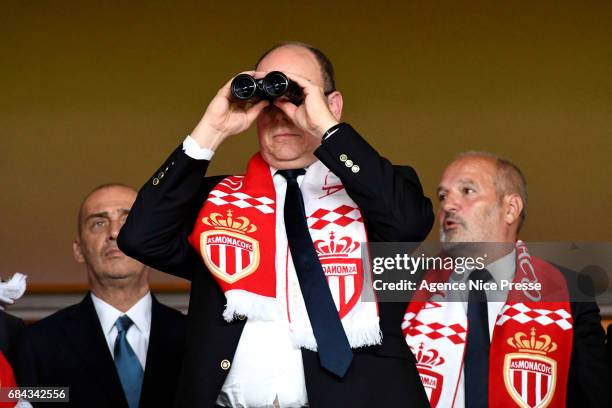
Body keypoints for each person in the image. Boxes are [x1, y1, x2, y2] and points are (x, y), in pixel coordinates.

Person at [118, 42, 434, 407]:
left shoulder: (373, 192)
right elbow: (140, 236)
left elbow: (409, 222)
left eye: (296, 95)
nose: (282, 112)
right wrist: (211, 129)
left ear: (332, 105)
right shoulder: (216, 202)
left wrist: (327, 128)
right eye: (269, 99)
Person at [403, 152, 611, 407]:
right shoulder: (408, 288)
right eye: (443, 196)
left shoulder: (568, 290)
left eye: (467, 191)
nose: (448, 205)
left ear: (510, 209)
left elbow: (595, 396)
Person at [13, 184, 186, 408]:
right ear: (79, 249)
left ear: (154, 240)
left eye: (128, 220)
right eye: (99, 223)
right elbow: (15, 399)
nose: (115, 232)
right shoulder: (36, 344)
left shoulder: (196, 338)